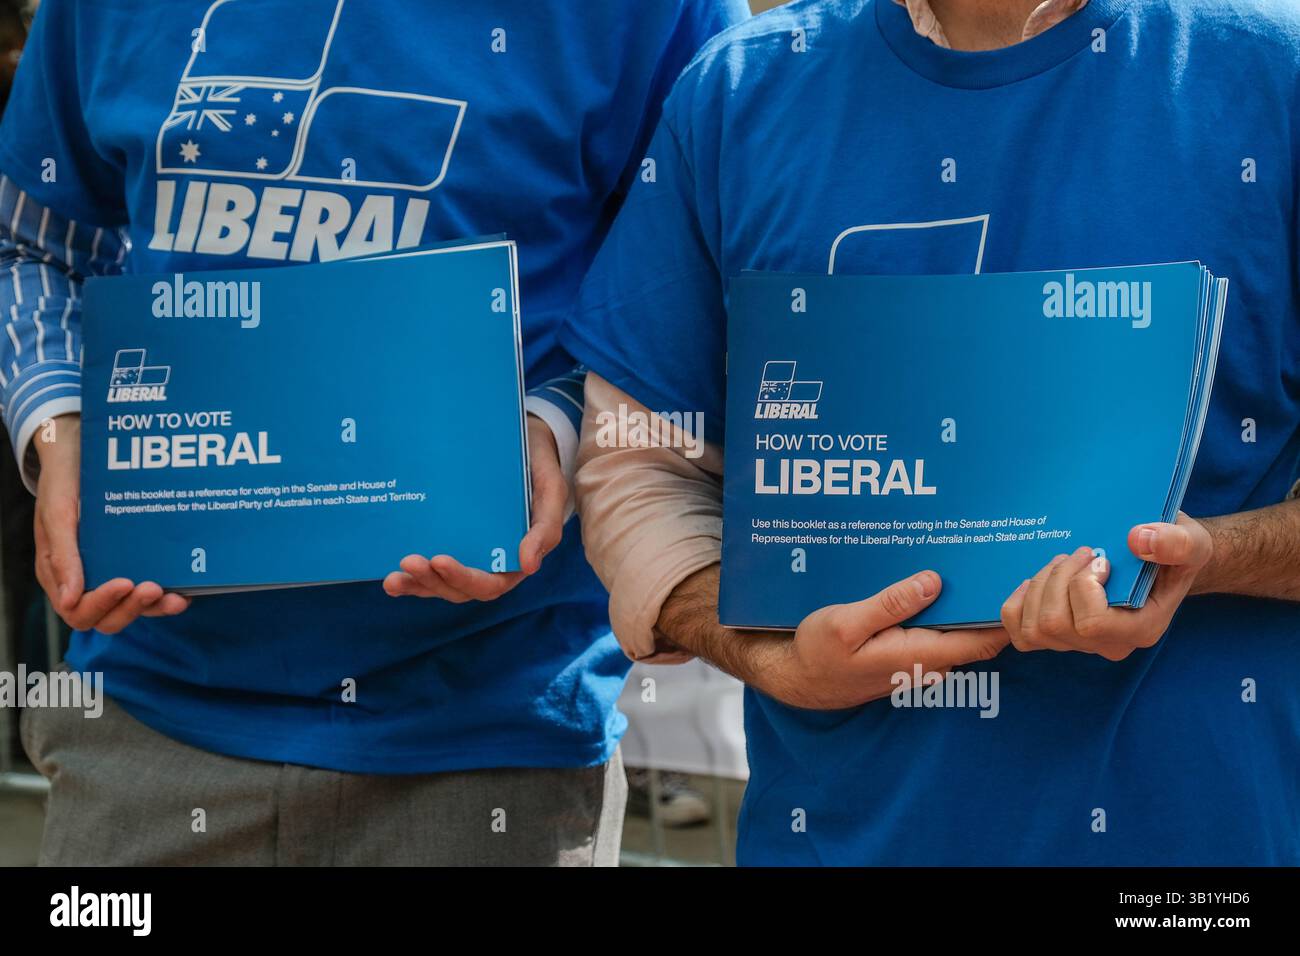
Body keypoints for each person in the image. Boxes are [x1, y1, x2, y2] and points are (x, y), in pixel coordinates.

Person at [0, 0, 747, 866]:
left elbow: (692, 280)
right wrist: (59, 426)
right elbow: (31, 239)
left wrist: (559, 427)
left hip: (494, 736)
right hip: (144, 715)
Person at [563, 0, 1300, 865]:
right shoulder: (739, 91)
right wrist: (768, 657)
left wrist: (1211, 555)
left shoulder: (1269, 76)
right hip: (842, 838)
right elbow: (640, 465)